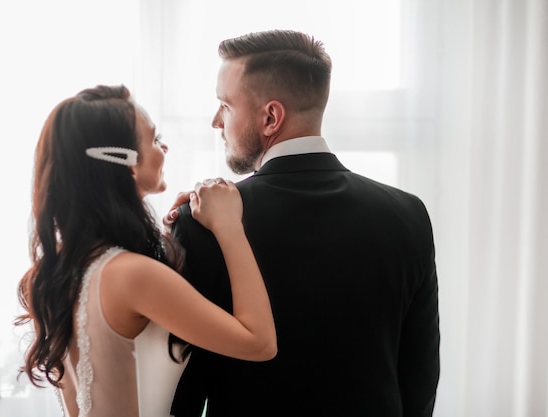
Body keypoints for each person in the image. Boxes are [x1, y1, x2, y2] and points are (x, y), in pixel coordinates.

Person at [166, 30, 440, 417]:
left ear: (270, 117)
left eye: (225, 105)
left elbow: (184, 391)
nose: (215, 122)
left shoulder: (201, 225)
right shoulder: (409, 215)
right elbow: (419, 381)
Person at [14, 85, 277, 417]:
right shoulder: (132, 275)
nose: (164, 147)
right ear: (126, 164)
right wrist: (228, 226)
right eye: (154, 139)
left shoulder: (53, 274)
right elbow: (259, 343)